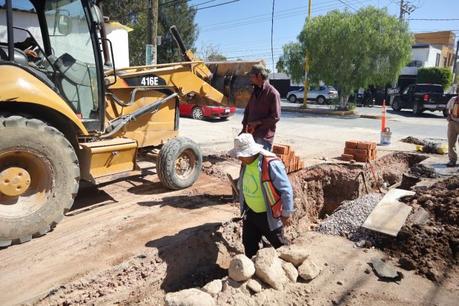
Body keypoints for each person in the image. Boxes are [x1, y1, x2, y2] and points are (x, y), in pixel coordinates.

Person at [229, 133, 294, 258]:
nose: (239, 158)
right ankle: (252, 272)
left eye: (241, 155)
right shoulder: (245, 163)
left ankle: (289, 270)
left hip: (268, 215)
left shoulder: (271, 164)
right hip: (250, 212)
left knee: (280, 246)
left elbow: (286, 189)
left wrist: (286, 213)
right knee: (249, 244)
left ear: (250, 152)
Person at [241, 64, 281, 151]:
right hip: (251, 135)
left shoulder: (273, 93)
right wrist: (244, 128)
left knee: (258, 163)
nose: (250, 79)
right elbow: (247, 111)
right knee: (248, 162)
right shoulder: (255, 91)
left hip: (263, 137)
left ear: (259, 76)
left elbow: (275, 117)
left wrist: (258, 123)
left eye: (252, 76)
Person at [446, 95, 459, 167]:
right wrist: (448, 115)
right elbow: (448, 108)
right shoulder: (454, 99)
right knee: (451, 142)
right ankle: (452, 160)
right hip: (453, 122)